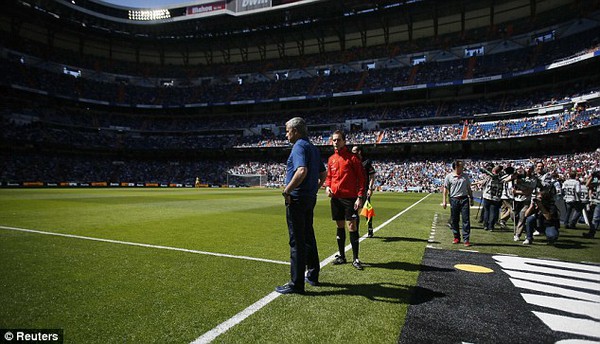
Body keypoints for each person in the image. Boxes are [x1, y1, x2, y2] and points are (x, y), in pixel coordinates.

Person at [276, 117, 327, 295]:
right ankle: (313, 274)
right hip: (309, 198)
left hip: (297, 199)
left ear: (296, 131)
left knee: (296, 241)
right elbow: (323, 173)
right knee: (308, 236)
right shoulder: (312, 147)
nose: (286, 134)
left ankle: (296, 283)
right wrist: (314, 189)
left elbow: (301, 170)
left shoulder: (298, 146)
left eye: (288, 130)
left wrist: (287, 191)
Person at [324, 130, 366, 270]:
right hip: (335, 198)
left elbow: (361, 178)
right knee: (339, 226)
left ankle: (356, 258)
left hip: (350, 198)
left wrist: (360, 197)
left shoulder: (353, 158)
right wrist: (327, 186)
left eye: (338, 140)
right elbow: (329, 177)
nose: (336, 142)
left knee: (352, 227)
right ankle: (342, 256)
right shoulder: (331, 159)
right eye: (334, 140)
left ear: (344, 141)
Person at [442, 160, 474, 247]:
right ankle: (456, 237)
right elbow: (445, 189)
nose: (463, 167)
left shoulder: (465, 176)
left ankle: (466, 239)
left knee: (466, 220)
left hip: (464, 199)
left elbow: (468, 188)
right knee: (455, 220)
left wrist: (471, 198)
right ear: (456, 166)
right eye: (461, 166)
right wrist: (444, 201)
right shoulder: (449, 176)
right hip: (454, 199)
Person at [351, 145, 377, 238]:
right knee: (355, 210)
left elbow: (372, 175)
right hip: (354, 190)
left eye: (354, 151)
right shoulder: (351, 162)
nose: (352, 153)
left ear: (359, 152)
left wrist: (370, 188)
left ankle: (370, 228)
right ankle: (356, 231)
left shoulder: (366, 162)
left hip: (365, 189)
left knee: (367, 210)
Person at [481, 164, 504, 231]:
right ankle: (491, 226)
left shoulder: (490, 177)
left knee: (486, 211)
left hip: (488, 196)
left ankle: (486, 225)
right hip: (496, 197)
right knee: (493, 212)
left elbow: (483, 183)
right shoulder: (502, 177)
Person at [583, 171, 600, 239]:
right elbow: (587, 184)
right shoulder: (597, 183)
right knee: (595, 218)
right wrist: (592, 176)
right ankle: (591, 233)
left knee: (595, 218)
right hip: (597, 201)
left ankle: (591, 233)